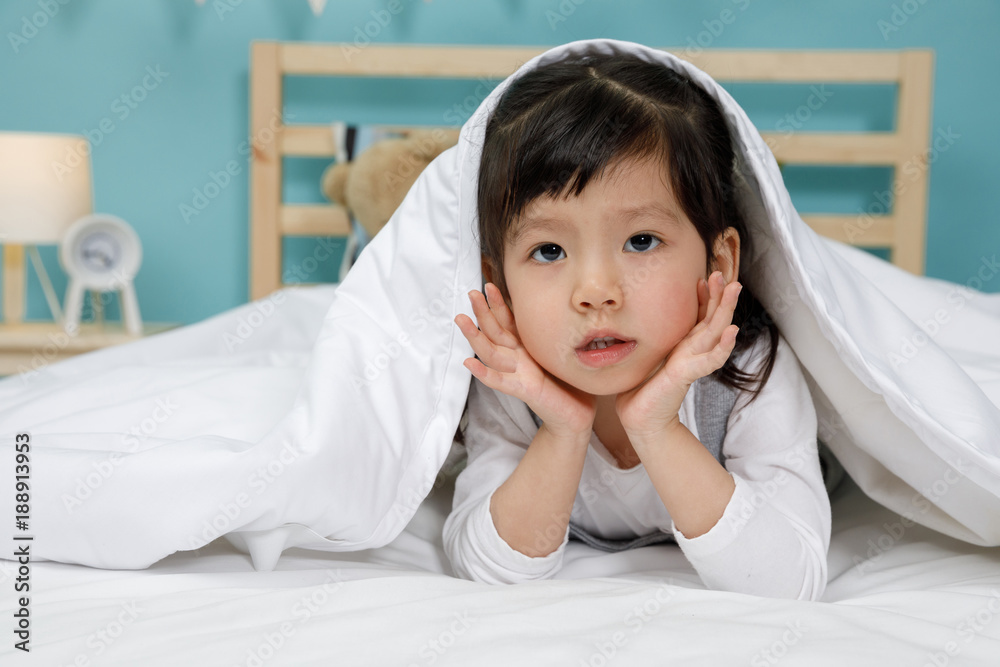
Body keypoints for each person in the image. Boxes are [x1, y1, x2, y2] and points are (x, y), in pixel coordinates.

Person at [442, 52, 831, 600]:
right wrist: (562, 429)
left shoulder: (747, 367)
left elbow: (789, 583)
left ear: (717, 264)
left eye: (641, 241)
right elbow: (489, 570)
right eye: (549, 250)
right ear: (498, 286)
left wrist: (657, 427)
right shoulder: (512, 381)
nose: (596, 291)